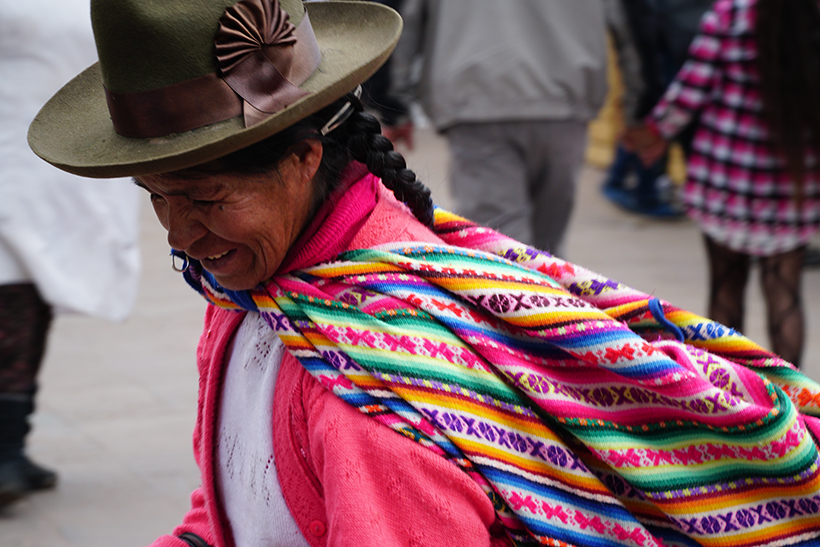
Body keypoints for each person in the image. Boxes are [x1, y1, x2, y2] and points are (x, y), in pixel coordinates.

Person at [27, 0, 820, 545]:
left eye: (203, 197)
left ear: (305, 159)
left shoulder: (372, 396)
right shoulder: (262, 287)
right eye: (157, 198)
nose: (181, 233)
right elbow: (232, 504)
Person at [0, 0, 141, 508]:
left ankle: (12, 442)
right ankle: (5, 451)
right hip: (12, 155)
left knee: (34, 297)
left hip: (56, 163)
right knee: (13, 297)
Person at [635, 0, 820, 369]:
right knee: (784, 292)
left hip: (725, 183)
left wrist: (654, 133)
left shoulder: (732, 14)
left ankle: (729, 399)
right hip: (792, 188)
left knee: (725, 288)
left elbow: (690, 91)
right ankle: (796, 404)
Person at [390, 0, 643, 259]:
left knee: (498, 247)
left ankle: (526, 293)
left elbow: (400, 21)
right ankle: (547, 295)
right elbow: (633, 26)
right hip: (565, 99)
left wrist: (394, 105)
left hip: (478, 100)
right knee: (546, 249)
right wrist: (639, 110)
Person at [603, 0, 713, 217]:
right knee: (651, 114)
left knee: (650, 114)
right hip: (668, 39)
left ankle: (620, 180)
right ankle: (644, 193)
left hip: (664, 37)